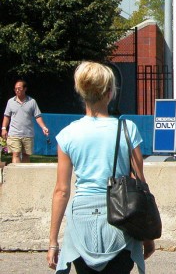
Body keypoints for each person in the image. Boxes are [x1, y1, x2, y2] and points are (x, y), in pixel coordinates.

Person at [47, 61, 155, 273]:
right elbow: (140, 183)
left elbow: (61, 191)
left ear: (81, 92)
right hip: (120, 215)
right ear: (109, 92)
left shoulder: (67, 134)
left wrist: (53, 242)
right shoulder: (127, 129)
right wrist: (147, 235)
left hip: (81, 221)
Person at [3, 80, 50, 164]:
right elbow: (7, 116)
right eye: (15, 89)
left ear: (25, 89)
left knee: (26, 155)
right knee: (16, 154)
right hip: (14, 133)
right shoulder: (10, 102)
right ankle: (16, 174)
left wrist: (44, 127)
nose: (17, 90)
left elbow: (37, 116)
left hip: (28, 134)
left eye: (19, 88)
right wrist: (4, 128)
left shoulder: (32, 102)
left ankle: (24, 175)